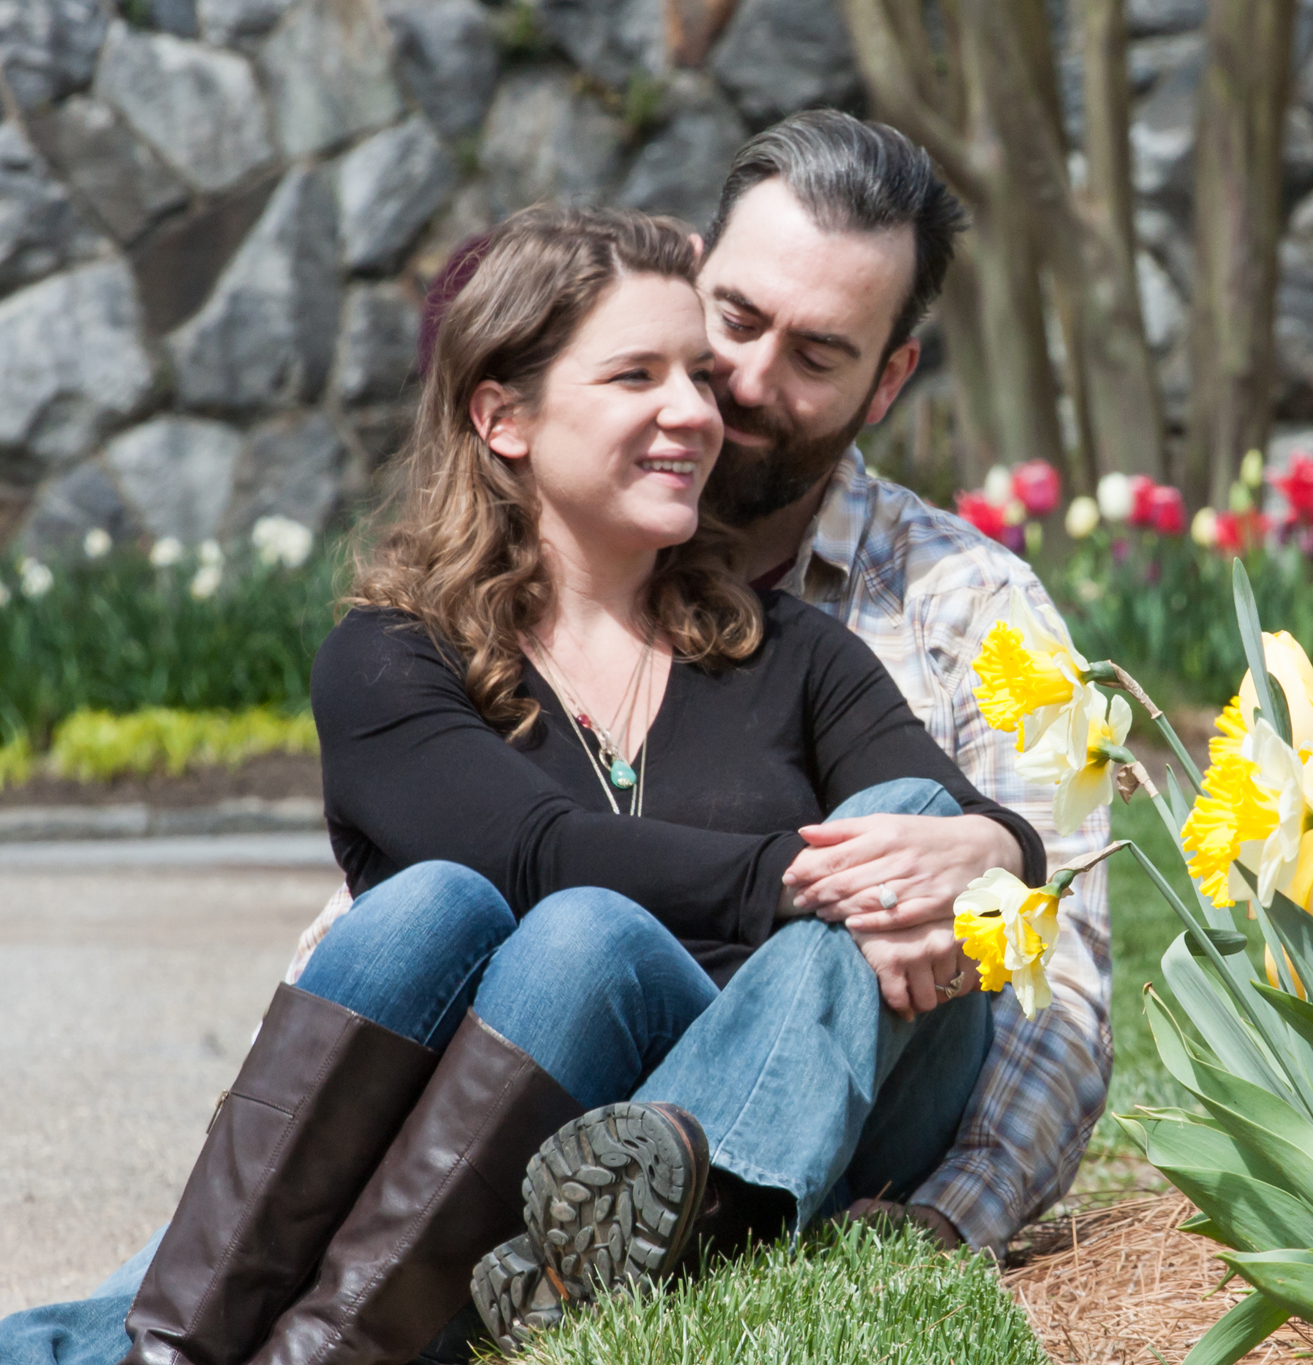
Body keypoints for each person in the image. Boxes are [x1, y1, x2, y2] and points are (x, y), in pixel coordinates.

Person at [0, 202, 1044, 1365]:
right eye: (637, 375)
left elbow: (958, 822)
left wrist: (997, 854)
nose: (697, 413)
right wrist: (805, 882)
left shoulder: (792, 654)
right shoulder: (394, 660)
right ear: (502, 415)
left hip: (807, 1098)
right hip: (512, 1145)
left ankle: (691, 1201)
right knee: (536, 928)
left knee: (910, 820)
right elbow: (533, 853)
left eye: (698, 376)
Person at [470, 110, 1116, 1345]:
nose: (751, 384)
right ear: (689, 272)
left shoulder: (971, 610)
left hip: (857, 1113)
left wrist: (933, 1229)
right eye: (736, 319)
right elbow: (432, 862)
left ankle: (671, 1218)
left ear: (890, 378)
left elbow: (1064, 995)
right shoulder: (547, 556)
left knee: (902, 826)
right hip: (558, 1085)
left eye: (818, 356)